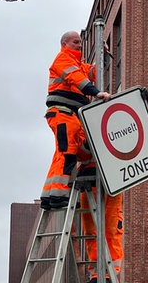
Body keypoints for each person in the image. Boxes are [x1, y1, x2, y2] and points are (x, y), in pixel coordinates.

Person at [41, 30, 111, 210]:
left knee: (65, 153)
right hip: (63, 114)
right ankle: (58, 197)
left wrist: (102, 55)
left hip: (70, 116)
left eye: (80, 42)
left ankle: (51, 196)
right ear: (64, 44)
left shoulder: (77, 64)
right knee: (67, 153)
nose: (79, 45)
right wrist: (96, 93)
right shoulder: (63, 60)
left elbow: (93, 73)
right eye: (75, 42)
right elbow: (78, 79)